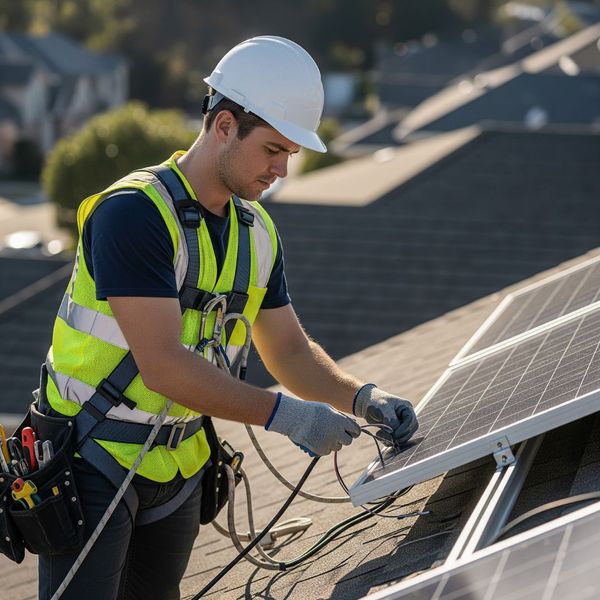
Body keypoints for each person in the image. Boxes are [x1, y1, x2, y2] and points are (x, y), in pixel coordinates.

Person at [39, 36, 418, 599]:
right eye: (272, 149)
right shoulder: (134, 215)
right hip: (93, 460)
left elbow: (288, 350)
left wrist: (360, 396)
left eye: (290, 153)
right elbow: (163, 366)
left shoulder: (257, 233)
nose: (282, 170)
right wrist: (287, 417)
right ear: (223, 125)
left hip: (180, 464)